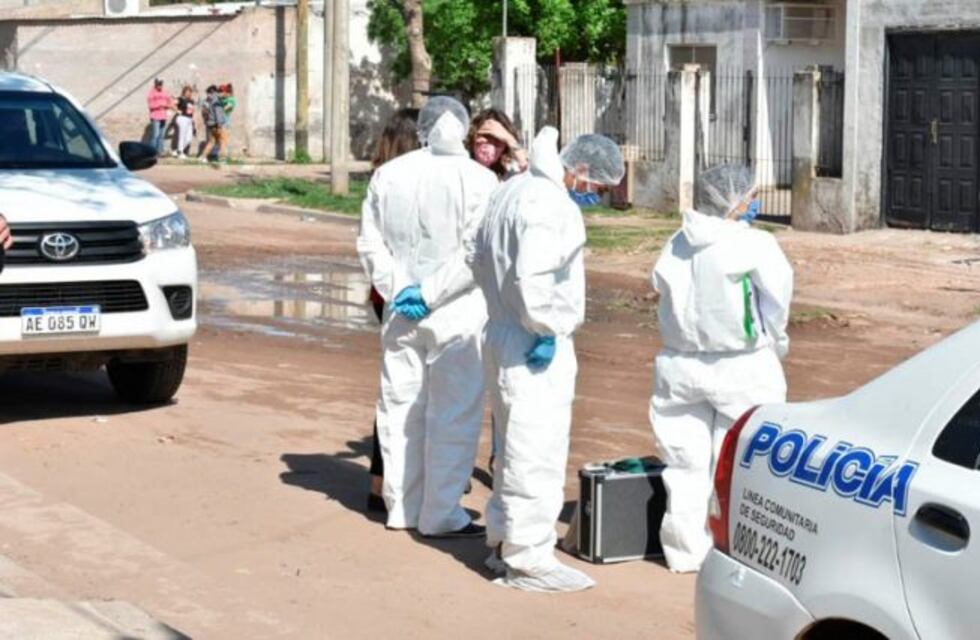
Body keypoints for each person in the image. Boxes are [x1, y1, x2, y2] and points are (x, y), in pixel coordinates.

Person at [471, 127, 624, 592]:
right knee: (534, 452)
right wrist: (545, 327)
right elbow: (533, 276)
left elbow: (474, 254)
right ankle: (530, 559)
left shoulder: (512, 189)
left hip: (501, 331)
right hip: (531, 339)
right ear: (578, 170)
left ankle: (504, 542)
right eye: (596, 187)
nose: (593, 195)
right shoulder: (550, 205)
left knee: (511, 446)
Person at [357, 96, 498, 537]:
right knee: (452, 413)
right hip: (457, 313)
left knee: (400, 409)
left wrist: (400, 288)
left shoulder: (389, 175)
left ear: (423, 128)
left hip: (402, 314)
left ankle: (401, 508)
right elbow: (475, 251)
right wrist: (432, 292)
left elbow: (370, 242)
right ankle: (441, 513)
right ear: (462, 130)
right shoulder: (480, 180)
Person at [649, 164, 793, 573]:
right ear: (735, 200)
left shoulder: (678, 242)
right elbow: (776, 300)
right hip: (741, 367)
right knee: (747, 461)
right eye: (750, 196)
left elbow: (659, 285)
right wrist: (775, 343)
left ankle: (685, 552)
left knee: (684, 464)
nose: (753, 203)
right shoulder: (755, 244)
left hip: (679, 365)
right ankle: (741, 554)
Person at [365, 107, 421, 513]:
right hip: (414, 293)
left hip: (387, 292)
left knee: (394, 388)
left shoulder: (381, 177)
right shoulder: (407, 180)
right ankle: (401, 481)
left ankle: (379, 482)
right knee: (413, 392)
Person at [466, 109, 528, 180]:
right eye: (486, 136)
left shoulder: (506, 179)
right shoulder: (460, 168)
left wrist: (510, 140)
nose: (491, 144)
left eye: (498, 141)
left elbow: (532, 176)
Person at [198, 86, 227, 163]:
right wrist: (219, 124)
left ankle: (202, 157)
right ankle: (222, 159)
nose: (224, 94)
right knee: (223, 141)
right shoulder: (217, 100)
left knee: (211, 142)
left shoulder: (210, 100)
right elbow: (218, 113)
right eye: (223, 92)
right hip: (216, 124)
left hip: (211, 124)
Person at [146, 78, 174, 156]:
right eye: (158, 84)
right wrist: (160, 105)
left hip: (163, 116)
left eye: (161, 84)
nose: (160, 86)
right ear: (155, 84)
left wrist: (168, 105)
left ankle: (160, 152)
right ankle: (152, 152)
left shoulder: (164, 92)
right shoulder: (151, 93)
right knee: (155, 135)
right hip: (155, 116)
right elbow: (150, 105)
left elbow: (170, 101)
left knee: (161, 135)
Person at [175, 86, 196, 159]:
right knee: (182, 136)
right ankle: (180, 153)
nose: (188, 93)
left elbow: (192, 111)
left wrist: (193, 122)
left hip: (189, 119)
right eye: (187, 92)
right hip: (182, 118)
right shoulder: (180, 99)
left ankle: (178, 151)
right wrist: (177, 110)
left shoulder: (191, 101)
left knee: (189, 139)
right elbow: (172, 104)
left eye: (190, 92)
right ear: (184, 92)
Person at [218, 84, 237, 161]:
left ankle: (223, 157)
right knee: (223, 140)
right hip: (224, 121)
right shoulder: (226, 99)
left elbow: (227, 108)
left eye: (224, 92)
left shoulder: (231, 100)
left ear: (228, 92)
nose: (222, 93)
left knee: (223, 140)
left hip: (225, 122)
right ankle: (225, 156)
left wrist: (220, 107)